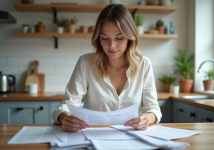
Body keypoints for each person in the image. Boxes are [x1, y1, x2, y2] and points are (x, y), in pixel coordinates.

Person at [52, 4, 162, 132]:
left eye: (119, 38)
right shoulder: (86, 63)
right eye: (105, 38)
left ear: (129, 37)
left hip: (131, 139)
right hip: (93, 137)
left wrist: (147, 118)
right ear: (98, 38)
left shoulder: (144, 64)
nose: (111, 46)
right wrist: (65, 118)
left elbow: (153, 108)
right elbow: (66, 105)